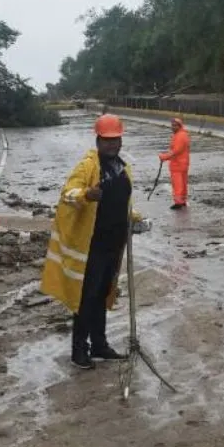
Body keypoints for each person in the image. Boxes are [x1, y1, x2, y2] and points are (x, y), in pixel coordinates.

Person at [40, 114, 144, 370]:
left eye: (116, 139)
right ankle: (79, 350)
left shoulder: (122, 167)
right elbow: (68, 194)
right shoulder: (88, 166)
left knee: (101, 296)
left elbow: (122, 203)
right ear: (98, 140)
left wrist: (136, 219)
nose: (112, 145)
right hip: (92, 246)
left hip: (114, 244)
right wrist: (86, 194)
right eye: (107, 140)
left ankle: (100, 345)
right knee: (86, 297)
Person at [159, 117, 191, 210]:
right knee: (183, 184)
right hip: (183, 164)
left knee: (177, 184)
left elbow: (175, 151)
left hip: (177, 165)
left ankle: (178, 203)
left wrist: (163, 157)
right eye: (172, 125)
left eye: (175, 125)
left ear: (179, 126)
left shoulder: (179, 136)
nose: (172, 127)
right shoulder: (183, 135)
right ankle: (183, 200)